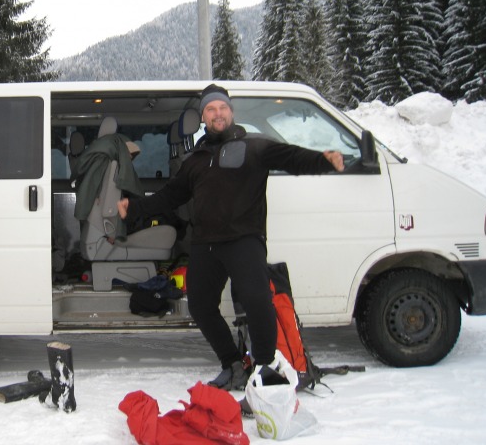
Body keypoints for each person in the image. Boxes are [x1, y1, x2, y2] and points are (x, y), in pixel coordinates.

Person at [117, 84, 344, 390]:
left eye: (222, 108)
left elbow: (291, 157)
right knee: (200, 305)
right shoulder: (195, 160)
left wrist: (322, 160)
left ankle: (264, 368)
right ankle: (233, 363)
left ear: (231, 112)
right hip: (207, 242)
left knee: (257, 300)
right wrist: (135, 209)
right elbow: (170, 196)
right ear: (203, 117)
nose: (218, 114)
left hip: (244, 238)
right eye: (211, 109)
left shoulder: (254, 146)